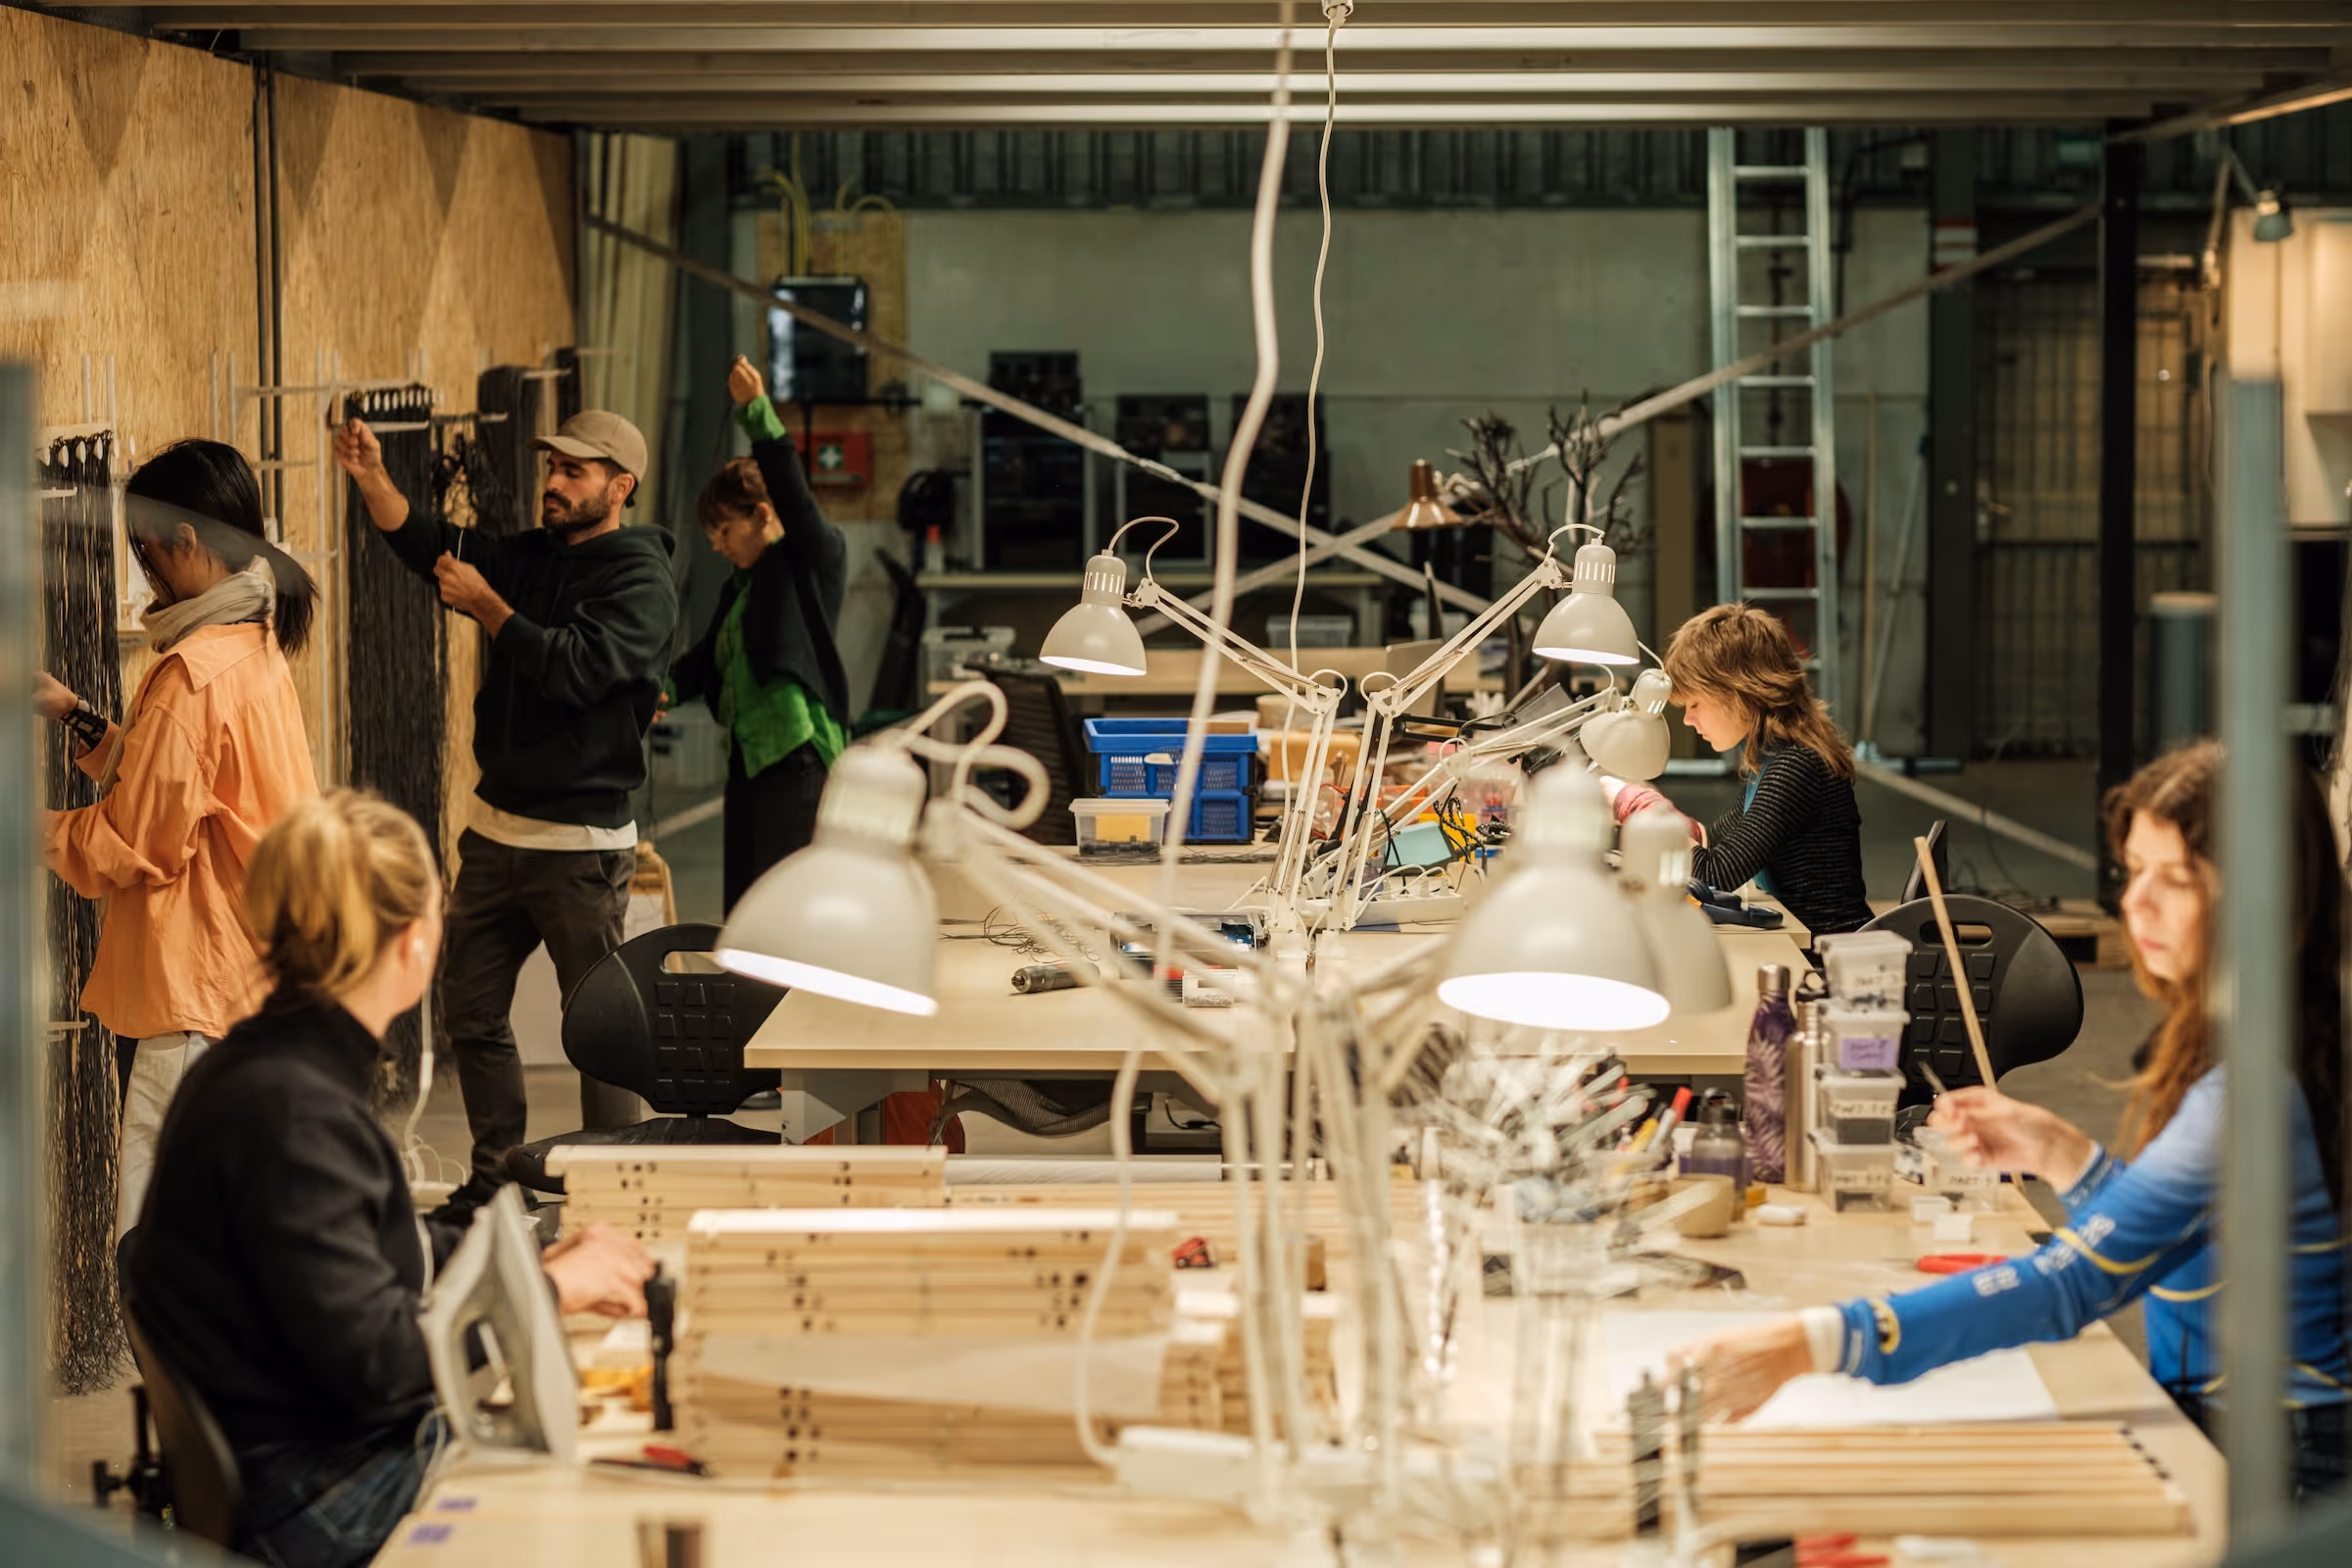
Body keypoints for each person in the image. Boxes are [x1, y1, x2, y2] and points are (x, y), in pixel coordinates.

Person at [1674, 740, 2350, 1501]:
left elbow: (2070, 1283)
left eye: (2178, 879)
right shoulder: (2286, 1035)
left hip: (2282, 1472)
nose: (2137, 904)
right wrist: (2071, 1159)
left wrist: (1814, 1341)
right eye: (2135, 872)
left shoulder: (2252, 1094)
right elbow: (2181, 1240)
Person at [122, 790, 654, 1568]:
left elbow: (371, 1245)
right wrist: (546, 1293)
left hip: (295, 1459)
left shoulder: (261, 1067)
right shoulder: (293, 1112)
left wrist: (537, 1260)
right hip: (317, 1494)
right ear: (414, 943)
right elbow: (380, 1365)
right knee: (603, 1495)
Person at [333, 407, 677, 1216]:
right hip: (495, 834)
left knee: (598, 1027)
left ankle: (609, 1194)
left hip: (581, 843)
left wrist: (490, 607)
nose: (553, 483)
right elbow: (431, 546)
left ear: (619, 487)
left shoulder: (641, 581)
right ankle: (496, 1182)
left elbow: (576, 669)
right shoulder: (535, 556)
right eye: (551, 467)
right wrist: (371, 477)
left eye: (574, 471)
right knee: (471, 1011)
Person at [36, 439, 320, 1233]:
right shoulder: (253, 648)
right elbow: (183, 790)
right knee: (226, 1222)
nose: (146, 574)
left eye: (146, 551)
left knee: (164, 1233)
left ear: (185, 541)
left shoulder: (191, 675)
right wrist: (78, 716)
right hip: (250, 978)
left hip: (196, 991)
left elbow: (137, 840)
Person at [668, 355, 851, 911]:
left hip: (798, 763)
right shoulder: (740, 591)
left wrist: (757, 411)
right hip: (748, 765)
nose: (717, 545)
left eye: (724, 530)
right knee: (746, 913)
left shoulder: (811, 561)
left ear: (763, 515)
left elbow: (795, 496)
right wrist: (658, 690)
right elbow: (706, 661)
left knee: (786, 914)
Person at [1611, 602, 1873, 936]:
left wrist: (1639, 808)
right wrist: (1653, 808)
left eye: (1695, 704)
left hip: (1828, 951)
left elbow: (1715, 873)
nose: (1688, 719)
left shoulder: (1796, 767)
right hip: (1804, 939)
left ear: (1739, 693)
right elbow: (1714, 841)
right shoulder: (1771, 759)